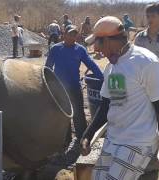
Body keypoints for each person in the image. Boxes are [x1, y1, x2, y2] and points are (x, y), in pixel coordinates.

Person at [81, 16, 159, 180]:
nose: (96, 48)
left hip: (137, 141)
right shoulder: (112, 66)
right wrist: (88, 134)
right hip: (114, 137)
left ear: (109, 41)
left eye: (98, 42)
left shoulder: (145, 62)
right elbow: (106, 106)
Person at [45, 25, 103, 164]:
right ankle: (64, 142)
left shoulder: (80, 49)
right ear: (63, 35)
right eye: (70, 34)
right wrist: (47, 84)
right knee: (62, 114)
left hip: (75, 87)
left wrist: (102, 77)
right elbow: (47, 67)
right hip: (59, 88)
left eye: (74, 34)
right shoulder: (56, 49)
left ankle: (81, 139)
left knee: (78, 114)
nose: (72, 37)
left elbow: (91, 64)